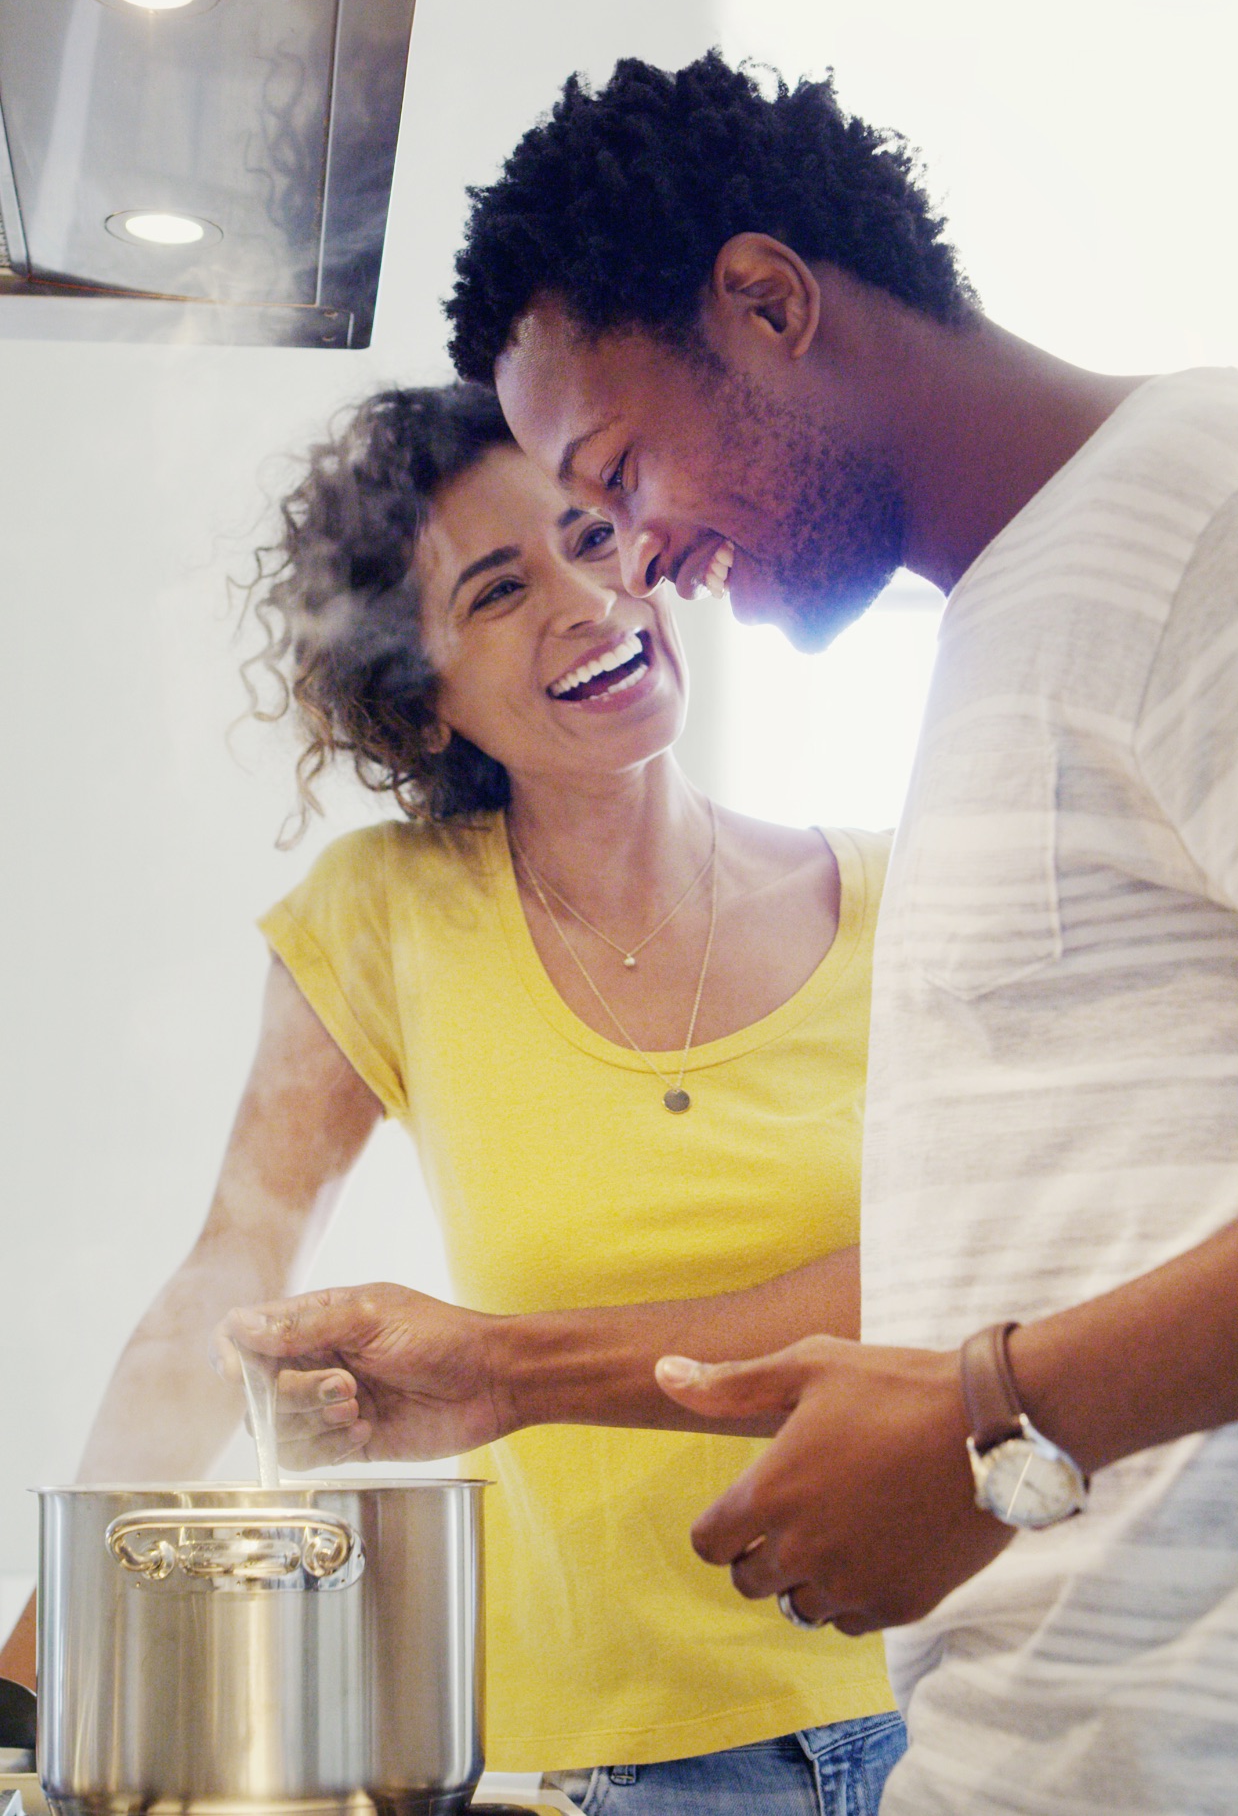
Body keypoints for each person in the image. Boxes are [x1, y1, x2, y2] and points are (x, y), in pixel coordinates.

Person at [235, 55, 1238, 1815]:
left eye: (618, 475)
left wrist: (988, 1426)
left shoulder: (1220, 509)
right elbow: (1112, 1227)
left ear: (770, 302)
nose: (635, 560)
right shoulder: (1017, 616)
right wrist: (550, 1370)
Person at [2, 381, 906, 1815]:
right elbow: (232, 1267)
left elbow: (974, 1280)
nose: (587, 601)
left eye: (594, 537)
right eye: (498, 590)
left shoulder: (904, 900)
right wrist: (38, 1659)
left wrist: (504, 1360)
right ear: (423, 697)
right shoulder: (388, 917)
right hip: (614, 1760)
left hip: (945, 1702)